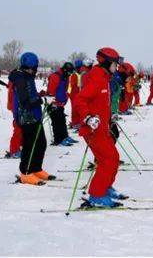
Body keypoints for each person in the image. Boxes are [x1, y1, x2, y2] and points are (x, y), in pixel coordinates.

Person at [75, 47, 126, 208]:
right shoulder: (96, 78)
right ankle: (96, 195)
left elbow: (101, 103)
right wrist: (88, 118)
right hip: (92, 129)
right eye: (115, 64)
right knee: (108, 160)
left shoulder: (105, 78)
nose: (116, 67)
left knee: (114, 158)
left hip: (102, 127)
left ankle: (106, 187)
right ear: (107, 63)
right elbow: (80, 100)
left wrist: (109, 118)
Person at [8, 52, 54, 186]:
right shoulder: (21, 78)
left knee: (41, 144)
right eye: (36, 67)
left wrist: (42, 95)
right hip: (26, 118)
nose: (36, 70)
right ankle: (26, 173)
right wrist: (42, 99)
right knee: (30, 145)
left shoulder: (27, 77)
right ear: (32, 66)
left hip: (34, 116)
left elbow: (30, 95)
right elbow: (25, 101)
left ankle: (36, 168)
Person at [47, 62, 78, 147]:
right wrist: (53, 103)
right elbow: (51, 91)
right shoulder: (56, 76)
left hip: (60, 104)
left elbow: (64, 89)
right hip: (54, 104)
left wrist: (65, 98)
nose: (70, 74)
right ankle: (58, 140)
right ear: (65, 70)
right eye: (69, 72)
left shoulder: (65, 77)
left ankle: (65, 137)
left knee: (62, 121)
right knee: (57, 122)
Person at [6, 70, 22, 158]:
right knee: (18, 127)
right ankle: (14, 151)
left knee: (20, 127)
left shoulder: (14, 83)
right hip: (16, 107)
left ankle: (19, 145)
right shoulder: (15, 85)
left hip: (16, 107)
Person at [68, 59, 85, 129]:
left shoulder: (81, 74)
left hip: (79, 94)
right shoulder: (74, 75)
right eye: (80, 67)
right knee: (75, 110)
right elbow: (73, 85)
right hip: (74, 94)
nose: (81, 69)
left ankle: (79, 122)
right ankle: (75, 123)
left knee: (79, 109)